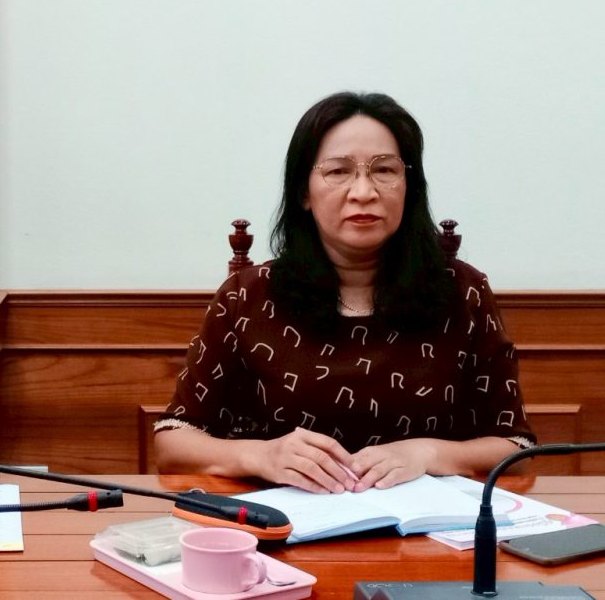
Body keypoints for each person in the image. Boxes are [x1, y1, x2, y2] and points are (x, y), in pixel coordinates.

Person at [154, 92, 534, 494]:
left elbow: (516, 445)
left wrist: (428, 453)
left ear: (409, 186)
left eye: (384, 170)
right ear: (303, 191)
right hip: (284, 522)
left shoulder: (463, 292)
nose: (363, 191)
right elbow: (173, 440)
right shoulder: (247, 297)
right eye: (338, 171)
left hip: (427, 525)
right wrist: (261, 455)